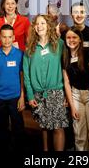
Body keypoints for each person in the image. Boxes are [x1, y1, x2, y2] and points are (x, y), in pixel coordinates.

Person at [23, 14, 69, 151]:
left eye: (43, 23)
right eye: (37, 24)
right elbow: (26, 75)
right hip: (38, 94)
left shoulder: (59, 44)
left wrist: (67, 94)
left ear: (49, 26)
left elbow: (66, 70)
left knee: (57, 127)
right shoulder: (29, 48)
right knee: (43, 126)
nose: (40, 26)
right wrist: (30, 96)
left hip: (56, 92)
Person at [62, 27, 89, 151]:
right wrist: (72, 106)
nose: (71, 40)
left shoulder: (87, 53)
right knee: (79, 133)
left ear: (80, 40)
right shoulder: (64, 56)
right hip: (75, 95)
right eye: (68, 37)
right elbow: (67, 82)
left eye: (74, 37)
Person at [0, 24, 25, 151]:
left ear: (13, 37)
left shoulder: (20, 54)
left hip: (15, 97)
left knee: (18, 128)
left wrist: (22, 96)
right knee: (0, 127)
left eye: (9, 37)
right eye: (4, 37)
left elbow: (22, 76)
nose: (7, 40)